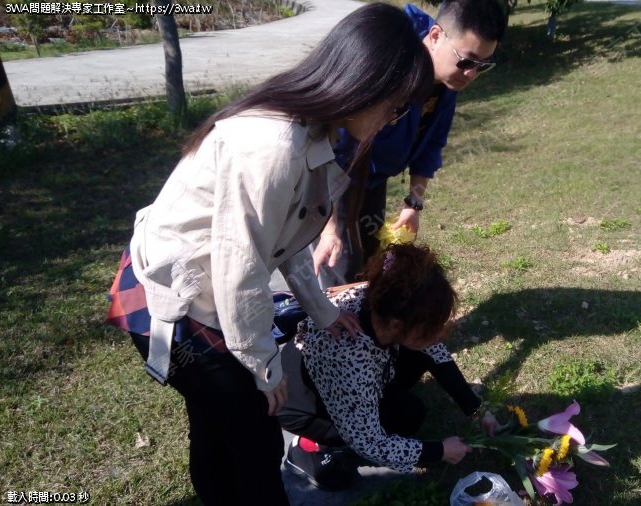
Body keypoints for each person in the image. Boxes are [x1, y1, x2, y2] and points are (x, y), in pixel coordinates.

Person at [104, 4, 433, 504]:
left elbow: (286, 238)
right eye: (396, 106)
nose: (392, 120)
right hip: (177, 300)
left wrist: (322, 310)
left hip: (207, 290)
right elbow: (240, 270)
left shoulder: (314, 126)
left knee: (217, 425)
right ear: (367, 83)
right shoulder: (274, 145)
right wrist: (263, 368)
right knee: (254, 435)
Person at [314, 0, 508, 287]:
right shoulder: (388, 60)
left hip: (373, 179)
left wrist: (413, 203)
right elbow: (327, 148)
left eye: (482, 65)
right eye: (467, 61)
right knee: (340, 268)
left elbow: (431, 145)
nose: (471, 74)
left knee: (370, 259)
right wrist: (328, 227)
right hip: (335, 179)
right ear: (435, 36)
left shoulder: (447, 80)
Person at [277, 243, 498, 490]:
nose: (439, 335)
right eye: (431, 328)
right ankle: (309, 448)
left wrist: (475, 408)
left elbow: (433, 350)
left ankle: (371, 405)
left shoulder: (385, 300)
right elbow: (370, 442)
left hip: (347, 374)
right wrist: (440, 451)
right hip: (302, 404)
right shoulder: (351, 358)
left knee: (418, 353)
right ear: (395, 325)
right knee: (406, 415)